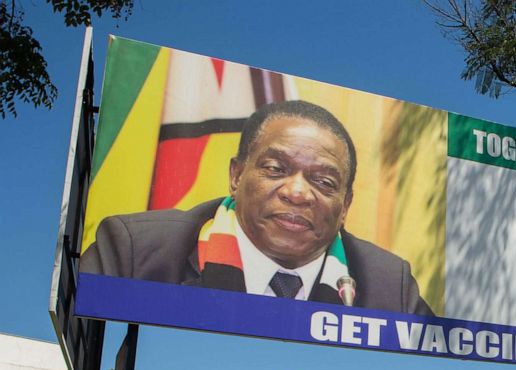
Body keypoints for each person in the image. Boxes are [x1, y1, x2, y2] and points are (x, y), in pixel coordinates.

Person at [81, 100, 433, 315]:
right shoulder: (133, 251)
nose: (297, 193)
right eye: (276, 169)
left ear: (345, 207)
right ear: (236, 175)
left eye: (324, 182)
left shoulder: (391, 285)